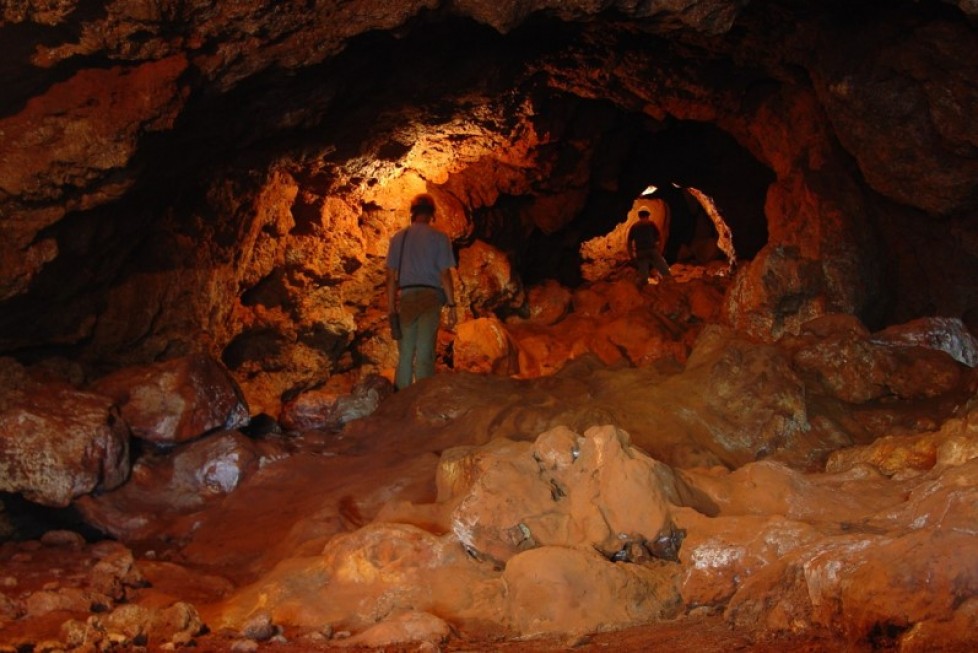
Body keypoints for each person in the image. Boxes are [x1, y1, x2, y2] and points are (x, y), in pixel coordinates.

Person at [386, 193, 458, 390]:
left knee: (406, 355)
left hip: (406, 298)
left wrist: (391, 308)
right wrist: (452, 305)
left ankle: (401, 401)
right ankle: (423, 401)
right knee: (425, 353)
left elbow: (391, 278)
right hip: (430, 298)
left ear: (412, 213)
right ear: (432, 214)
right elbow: (445, 275)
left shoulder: (399, 238)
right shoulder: (440, 238)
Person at [626, 207, 672, 284]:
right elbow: (660, 237)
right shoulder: (651, 224)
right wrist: (660, 249)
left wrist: (632, 256)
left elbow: (629, 242)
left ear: (639, 215)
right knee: (665, 272)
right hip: (652, 251)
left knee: (643, 277)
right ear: (648, 215)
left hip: (640, 252)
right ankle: (670, 286)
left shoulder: (634, 226)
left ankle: (642, 289)